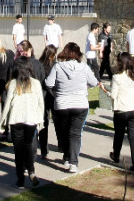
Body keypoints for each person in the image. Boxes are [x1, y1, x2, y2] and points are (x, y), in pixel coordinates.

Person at [45, 42, 108, 174]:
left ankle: (67, 157)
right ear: (78, 54)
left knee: (64, 132)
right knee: (75, 133)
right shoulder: (84, 67)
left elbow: (49, 83)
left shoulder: (58, 66)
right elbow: (93, 82)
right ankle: (73, 162)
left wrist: (58, 89)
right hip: (80, 104)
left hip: (62, 104)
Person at [0, 56, 44, 190]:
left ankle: (20, 180)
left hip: (16, 119)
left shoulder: (13, 83)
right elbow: (40, 103)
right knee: (28, 145)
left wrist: (3, 122)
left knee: (18, 150)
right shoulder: (35, 83)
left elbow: (7, 104)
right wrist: (40, 119)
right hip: (31, 119)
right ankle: (31, 171)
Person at [109, 52, 134, 171]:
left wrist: (106, 92)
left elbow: (113, 95)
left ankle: (116, 155)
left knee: (119, 134)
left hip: (122, 110)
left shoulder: (117, 77)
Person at [38, 44, 57, 159]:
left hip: (44, 96)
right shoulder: (53, 65)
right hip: (49, 95)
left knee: (44, 123)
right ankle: (45, 149)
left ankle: (44, 149)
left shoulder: (40, 64)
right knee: (52, 122)